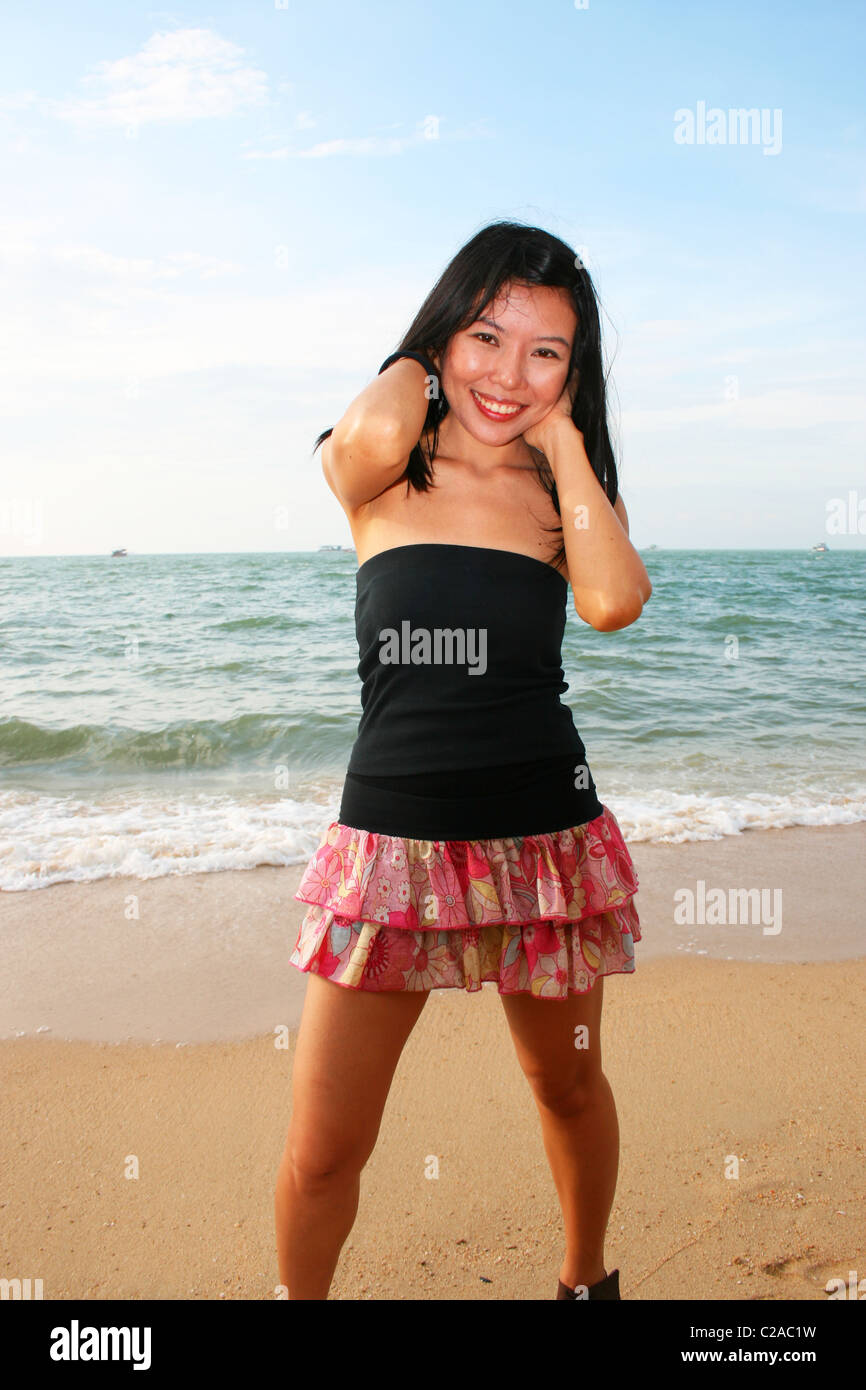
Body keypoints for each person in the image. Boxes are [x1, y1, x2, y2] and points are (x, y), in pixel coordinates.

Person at [275, 219, 652, 1301]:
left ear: (573, 374)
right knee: (323, 1147)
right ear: (443, 335)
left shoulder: (562, 498)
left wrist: (568, 441)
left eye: (546, 353)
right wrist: (421, 352)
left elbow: (613, 601)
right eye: (486, 336)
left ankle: (586, 1283)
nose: (509, 374)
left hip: (546, 842)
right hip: (389, 851)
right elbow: (374, 423)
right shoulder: (381, 473)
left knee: (568, 1087)